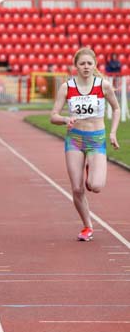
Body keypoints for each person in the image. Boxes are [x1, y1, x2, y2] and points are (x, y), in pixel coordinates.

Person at [50, 47, 121, 242]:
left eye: (89, 63)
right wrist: (65, 119)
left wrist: (113, 132)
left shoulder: (103, 85)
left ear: (95, 65)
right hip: (74, 139)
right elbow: (53, 116)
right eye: (82, 63)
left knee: (95, 186)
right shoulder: (67, 87)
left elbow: (116, 109)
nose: (86, 67)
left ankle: (90, 170)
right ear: (76, 66)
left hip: (96, 140)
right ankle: (87, 226)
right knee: (77, 188)